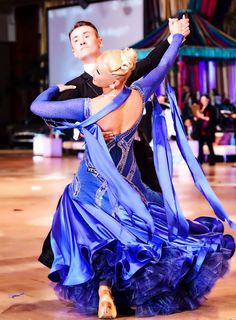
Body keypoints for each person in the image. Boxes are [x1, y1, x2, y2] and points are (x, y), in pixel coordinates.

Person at [31, 20, 235, 318]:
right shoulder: (139, 93)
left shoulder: (89, 104)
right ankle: (123, 288)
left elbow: (39, 107)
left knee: (86, 228)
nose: (96, 70)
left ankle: (103, 289)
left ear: (112, 77)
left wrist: (53, 89)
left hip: (92, 185)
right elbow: (163, 65)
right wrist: (176, 37)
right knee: (134, 232)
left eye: (100, 70)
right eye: (77, 39)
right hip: (128, 183)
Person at [38, 18, 191, 269]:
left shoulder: (124, 69)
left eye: (86, 35)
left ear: (100, 41)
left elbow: (154, 63)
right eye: (76, 40)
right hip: (104, 163)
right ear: (74, 52)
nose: (81, 40)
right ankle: (71, 259)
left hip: (139, 154)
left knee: (157, 207)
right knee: (89, 212)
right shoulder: (74, 87)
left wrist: (173, 37)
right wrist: (76, 131)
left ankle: (164, 262)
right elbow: (52, 116)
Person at [195, 94, 217, 165]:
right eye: (202, 100)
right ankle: (200, 159)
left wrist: (202, 117)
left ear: (208, 100)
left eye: (204, 100)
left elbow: (211, 119)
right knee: (200, 145)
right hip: (200, 129)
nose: (203, 101)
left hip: (208, 130)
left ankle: (212, 160)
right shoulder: (200, 107)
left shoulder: (211, 108)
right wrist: (197, 117)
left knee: (209, 145)